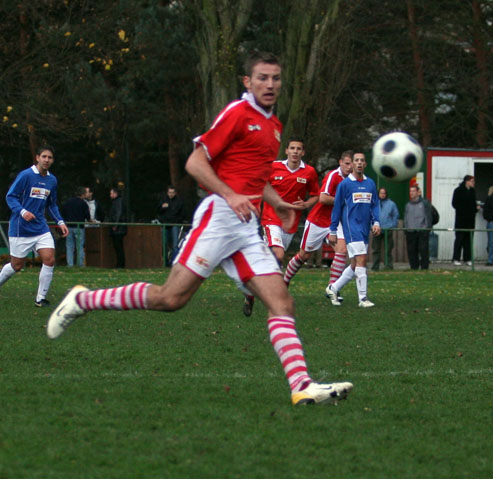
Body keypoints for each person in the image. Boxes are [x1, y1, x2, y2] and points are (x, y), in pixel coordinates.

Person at [47, 51, 353, 406]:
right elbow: (195, 162)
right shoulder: (237, 113)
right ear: (248, 82)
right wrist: (230, 194)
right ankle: (82, 300)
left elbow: (255, 177)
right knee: (171, 298)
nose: (270, 84)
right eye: (262, 77)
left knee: (281, 300)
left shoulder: (274, 126)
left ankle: (301, 385)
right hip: (219, 217)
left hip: (245, 226)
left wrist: (279, 202)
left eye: (276, 78)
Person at [242, 137, 319, 316]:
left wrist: (307, 204)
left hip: (290, 223)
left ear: (303, 152)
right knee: (279, 254)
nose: (295, 152)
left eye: (298, 149)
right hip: (271, 219)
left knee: (267, 261)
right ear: (286, 151)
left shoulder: (309, 172)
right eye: (292, 148)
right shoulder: (274, 167)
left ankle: (250, 292)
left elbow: (316, 194)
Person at [1, 146, 69, 306]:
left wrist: (60, 221)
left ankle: (40, 298)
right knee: (16, 265)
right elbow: (10, 197)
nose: (46, 160)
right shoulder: (26, 175)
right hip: (21, 228)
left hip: (40, 228)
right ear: (37, 158)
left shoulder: (52, 180)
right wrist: (22, 211)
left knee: (49, 259)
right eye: (44, 156)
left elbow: (51, 204)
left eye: (50, 157)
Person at [282, 153, 354, 294]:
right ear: (340, 162)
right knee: (304, 256)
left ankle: (332, 289)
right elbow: (323, 198)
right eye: (347, 163)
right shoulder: (333, 176)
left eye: (352, 164)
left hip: (335, 222)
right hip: (318, 221)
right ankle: (284, 281)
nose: (349, 167)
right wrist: (344, 201)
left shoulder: (354, 180)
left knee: (342, 250)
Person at [325, 151, 380, 307]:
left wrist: (376, 222)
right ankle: (363, 299)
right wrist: (333, 231)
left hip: (364, 227)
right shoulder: (345, 185)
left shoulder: (370, 183)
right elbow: (337, 208)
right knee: (362, 259)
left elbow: (375, 205)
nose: (359, 163)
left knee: (356, 263)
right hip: (351, 227)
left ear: (365, 164)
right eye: (356, 160)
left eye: (362, 160)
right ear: (353, 164)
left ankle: (333, 288)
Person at [404, 185, 435, 270]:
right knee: (411, 251)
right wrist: (405, 228)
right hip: (410, 231)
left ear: (418, 192)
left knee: (423, 250)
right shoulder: (408, 205)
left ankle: (424, 268)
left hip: (422, 230)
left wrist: (427, 228)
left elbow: (428, 216)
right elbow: (406, 217)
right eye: (410, 191)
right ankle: (414, 267)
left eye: (413, 191)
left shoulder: (424, 203)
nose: (411, 193)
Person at [156, 185, 188, 265]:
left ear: (175, 193)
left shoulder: (179, 201)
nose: (171, 194)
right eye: (170, 192)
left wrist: (177, 221)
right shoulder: (163, 200)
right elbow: (157, 211)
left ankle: (174, 262)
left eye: (173, 192)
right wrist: (162, 207)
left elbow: (183, 213)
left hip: (175, 224)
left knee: (175, 245)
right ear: (167, 192)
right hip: (165, 224)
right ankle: (166, 262)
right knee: (164, 244)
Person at [62, 186, 91, 267]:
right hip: (79, 227)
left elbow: (63, 212)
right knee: (80, 246)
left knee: (69, 246)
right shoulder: (83, 203)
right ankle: (80, 264)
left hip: (69, 226)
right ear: (83, 194)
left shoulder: (68, 202)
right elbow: (87, 216)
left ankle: (70, 264)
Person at [451, 175, 477, 266]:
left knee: (468, 241)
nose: (473, 183)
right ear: (467, 181)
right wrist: (464, 209)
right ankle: (456, 258)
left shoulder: (473, 191)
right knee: (459, 240)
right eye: (472, 181)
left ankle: (467, 259)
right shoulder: (458, 191)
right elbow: (454, 204)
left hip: (470, 221)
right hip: (461, 220)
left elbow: (473, 204)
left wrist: (475, 209)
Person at [371, 187, 398, 271]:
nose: (382, 195)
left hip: (387, 229)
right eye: (381, 193)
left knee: (388, 249)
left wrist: (392, 225)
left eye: (384, 193)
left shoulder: (391, 204)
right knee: (376, 249)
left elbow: (395, 215)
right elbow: (370, 214)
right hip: (376, 229)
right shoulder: (374, 203)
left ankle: (388, 266)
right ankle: (375, 266)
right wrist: (372, 225)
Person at [108, 187, 127, 268]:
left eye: (111, 193)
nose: (110, 195)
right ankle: (120, 264)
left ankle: (120, 264)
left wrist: (115, 225)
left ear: (115, 193)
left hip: (118, 228)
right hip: (119, 227)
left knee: (118, 246)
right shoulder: (118, 201)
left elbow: (118, 213)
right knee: (118, 246)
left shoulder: (118, 202)